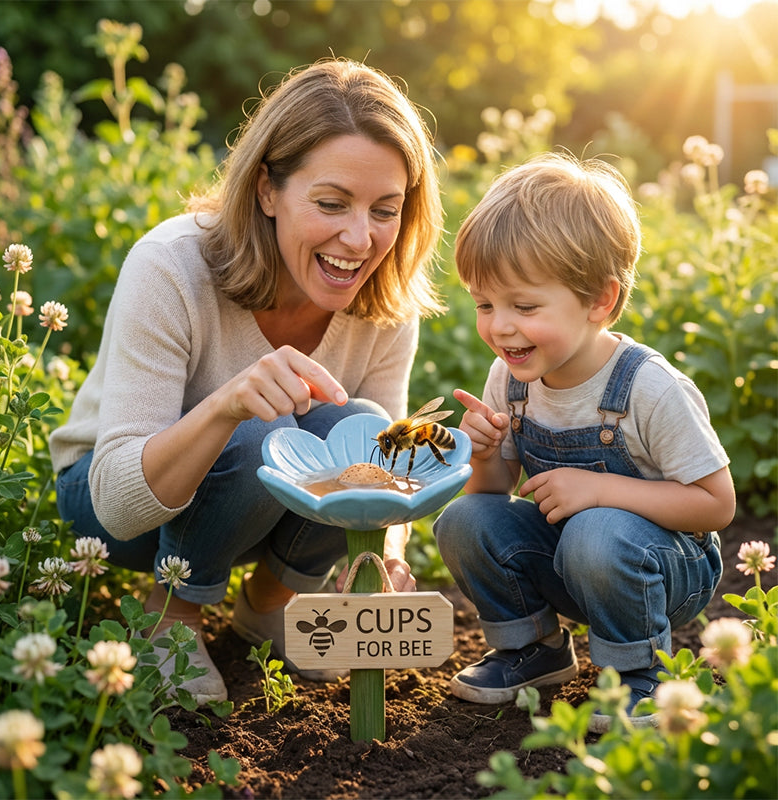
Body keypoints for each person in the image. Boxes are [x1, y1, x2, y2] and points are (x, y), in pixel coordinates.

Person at [50, 58, 445, 704]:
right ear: (267, 190)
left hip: (254, 503)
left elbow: (385, 466)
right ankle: (172, 616)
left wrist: (386, 549)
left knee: (365, 433)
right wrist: (225, 408)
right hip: (114, 503)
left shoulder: (384, 302)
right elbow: (118, 504)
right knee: (261, 428)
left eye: (385, 210)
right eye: (331, 203)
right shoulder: (171, 267)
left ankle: (269, 605)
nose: (360, 237)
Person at [434, 152, 735, 733]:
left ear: (601, 300)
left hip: (662, 570)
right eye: (485, 304)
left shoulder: (649, 387)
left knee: (597, 530)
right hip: (574, 561)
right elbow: (493, 496)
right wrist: (486, 455)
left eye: (524, 306)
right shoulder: (512, 377)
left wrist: (599, 489)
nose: (500, 326)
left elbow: (715, 505)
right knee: (464, 519)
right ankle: (534, 650)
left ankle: (642, 672)